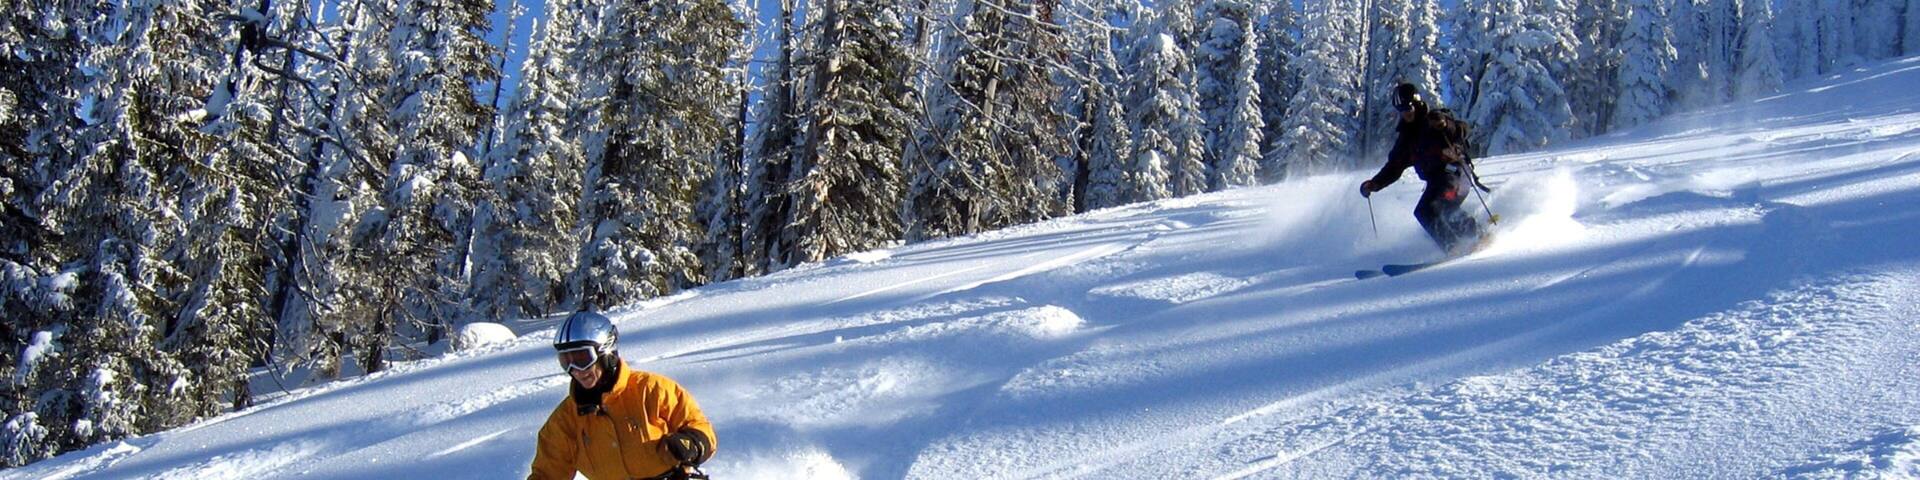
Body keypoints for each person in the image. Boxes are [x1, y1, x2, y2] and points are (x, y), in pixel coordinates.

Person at [529, 311, 716, 480]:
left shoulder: (651, 390)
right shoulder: (566, 420)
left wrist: (693, 444)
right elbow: (546, 474)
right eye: (566, 361)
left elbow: (700, 428)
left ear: (606, 351)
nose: (576, 370)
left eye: (582, 359)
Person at [1359, 83, 1485, 255]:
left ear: (1417, 104)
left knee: (1427, 210)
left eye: (1408, 108)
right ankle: (1480, 236)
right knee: (1441, 210)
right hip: (1438, 182)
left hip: (1455, 176)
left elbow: (1461, 129)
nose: (1406, 113)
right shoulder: (1406, 138)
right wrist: (1374, 184)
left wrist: (1445, 125)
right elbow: (1394, 166)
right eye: (1401, 110)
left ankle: (1453, 247)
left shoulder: (1434, 121)